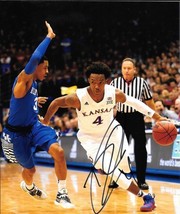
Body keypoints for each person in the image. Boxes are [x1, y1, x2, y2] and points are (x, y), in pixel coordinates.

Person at [40, 62, 166, 212]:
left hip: (113, 132)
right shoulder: (78, 97)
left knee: (124, 166)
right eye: (93, 82)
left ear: (107, 81)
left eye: (100, 82)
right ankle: (146, 197)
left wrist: (157, 117)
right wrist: (46, 121)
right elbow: (55, 103)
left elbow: (134, 103)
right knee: (112, 171)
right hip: (90, 139)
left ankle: (105, 167)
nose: (97, 86)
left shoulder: (113, 93)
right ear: (88, 81)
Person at [0, 21, 74, 209]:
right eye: (45, 68)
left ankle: (62, 193)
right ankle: (28, 185)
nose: (47, 72)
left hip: (34, 126)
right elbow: (34, 58)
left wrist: (34, 101)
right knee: (30, 169)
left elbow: (24, 103)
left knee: (58, 152)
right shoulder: (23, 81)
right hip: (15, 135)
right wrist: (49, 36)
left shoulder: (33, 86)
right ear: (36, 67)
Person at [110, 58, 156, 190]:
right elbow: (108, 101)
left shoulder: (142, 83)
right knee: (118, 149)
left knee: (140, 149)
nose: (126, 71)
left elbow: (149, 101)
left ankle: (141, 180)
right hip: (120, 117)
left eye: (129, 68)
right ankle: (118, 179)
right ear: (121, 69)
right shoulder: (114, 83)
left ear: (134, 70)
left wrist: (153, 118)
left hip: (136, 118)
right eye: (124, 68)